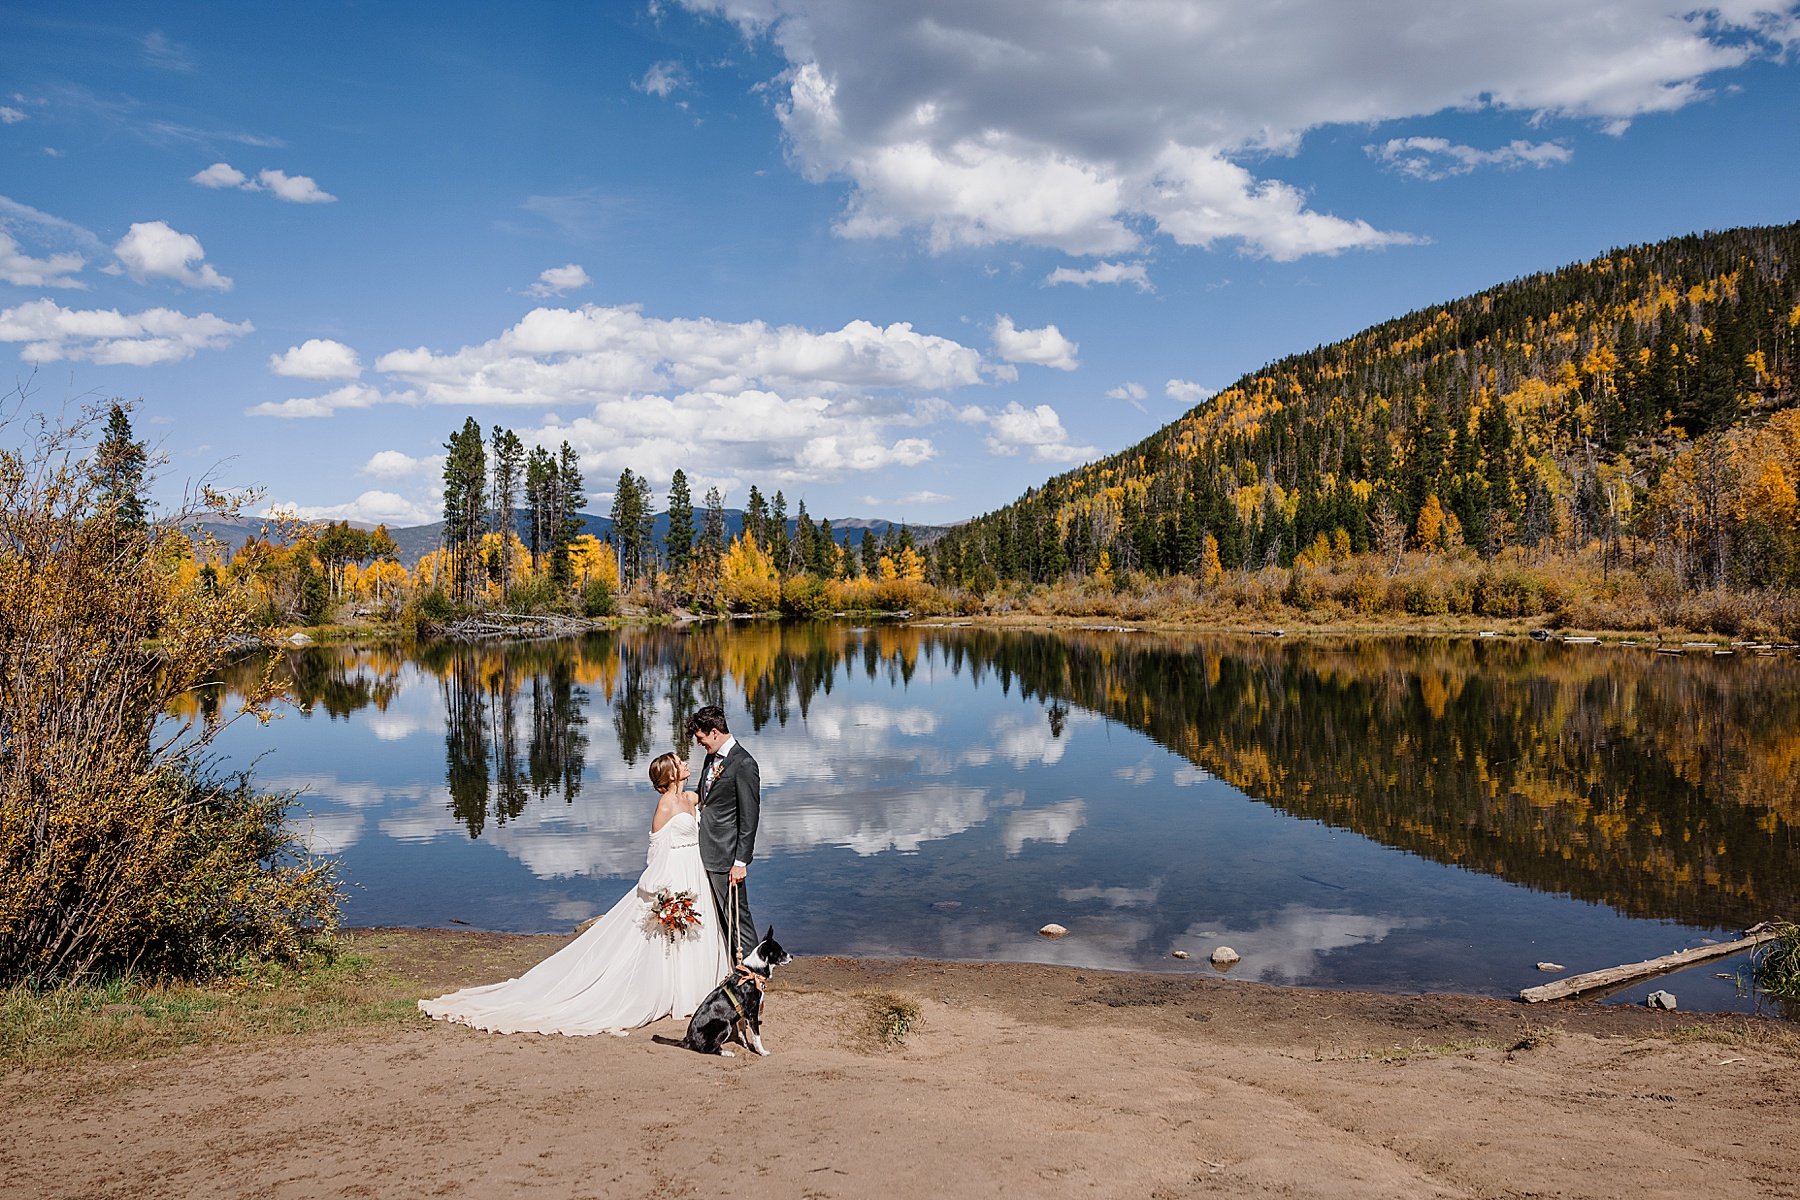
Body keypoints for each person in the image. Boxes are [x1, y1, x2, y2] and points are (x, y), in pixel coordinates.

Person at [418, 751, 730, 1035]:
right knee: (669, 934)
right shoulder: (665, 805)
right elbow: (657, 848)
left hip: (695, 869)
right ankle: (675, 992)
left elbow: (713, 794)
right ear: (671, 773)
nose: (686, 763)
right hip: (675, 873)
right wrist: (662, 890)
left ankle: (695, 991)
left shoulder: (690, 798)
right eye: (680, 761)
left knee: (695, 930)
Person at [683, 705, 760, 963]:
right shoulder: (711, 757)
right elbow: (706, 799)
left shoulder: (744, 763)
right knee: (720, 917)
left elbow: (749, 817)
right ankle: (732, 969)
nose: (699, 744)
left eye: (701, 739)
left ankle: (753, 976)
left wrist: (740, 862)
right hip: (706, 850)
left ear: (714, 732)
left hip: (727, 856)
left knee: (738, 917)